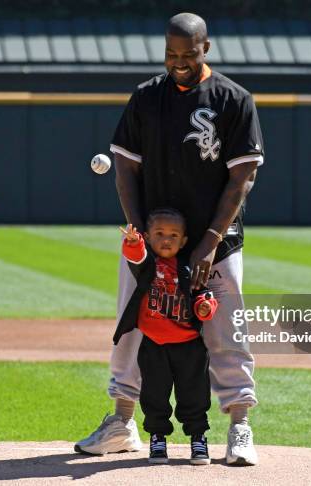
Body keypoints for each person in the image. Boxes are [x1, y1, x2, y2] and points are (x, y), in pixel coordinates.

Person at [75, 11, 264, 465]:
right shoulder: (145, 98)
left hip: (216, 242)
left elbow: (242, 177)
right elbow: (125, 167)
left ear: (206, 49)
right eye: (171, 53)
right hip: (151, 247)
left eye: (188, 53)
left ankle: (239, 426)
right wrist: (139, 237)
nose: (178, 62)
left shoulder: (233, 99)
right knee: (132, 330)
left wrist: (210, 240)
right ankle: (122, 422)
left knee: (226, 332)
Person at [115, 209, 218, 465]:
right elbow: (135, 257)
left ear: (183, 241)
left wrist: (205, 307)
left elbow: (203, 295)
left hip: (189, 347)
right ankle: (157, 438)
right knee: (154, 395)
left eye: (173, 235)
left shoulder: (189, 267)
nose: (166, 239)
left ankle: (198, 437)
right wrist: (133, 241)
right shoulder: (148, 266)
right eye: (159, 234)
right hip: (154, 345)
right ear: (149, 237)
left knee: (194, 395)